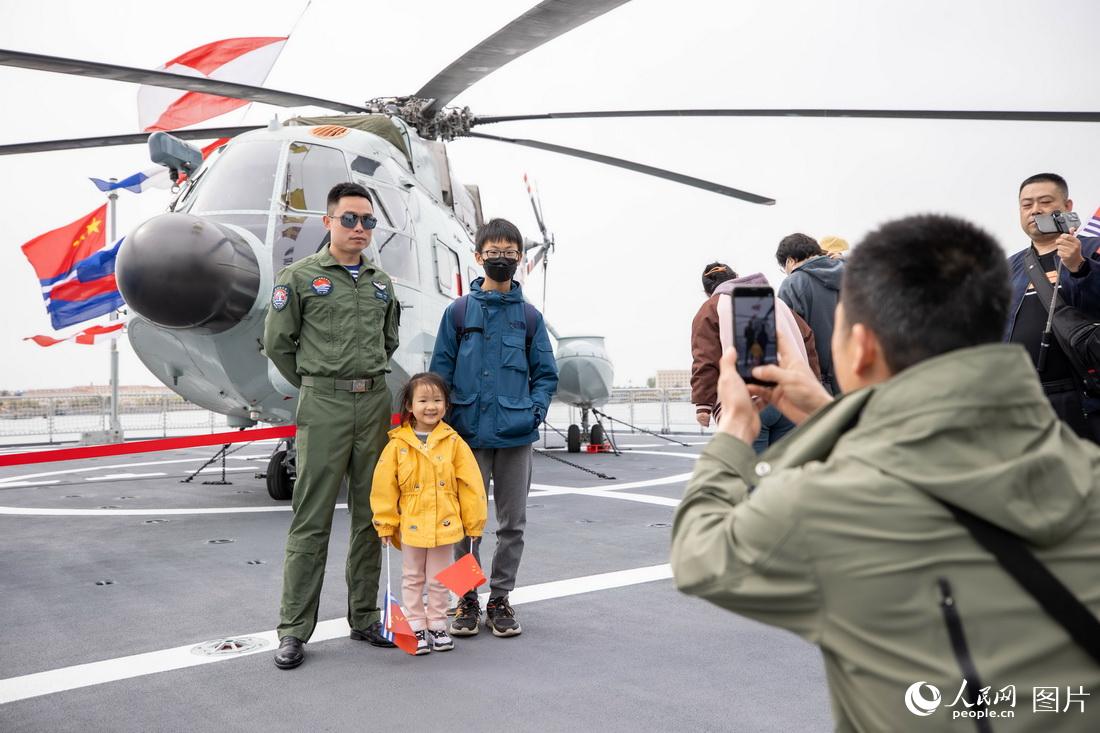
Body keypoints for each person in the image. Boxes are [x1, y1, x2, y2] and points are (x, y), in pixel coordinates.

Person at [672, 214, 1100, 731]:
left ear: (862, 345)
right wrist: (825, 411)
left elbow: (702, 554)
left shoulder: (829, 502)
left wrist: (734, 431)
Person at [264, 182, 401, 669]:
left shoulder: (382, 284)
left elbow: (389, 343)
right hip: (323, 404)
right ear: (328, 222)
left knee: (372, 515)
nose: (359, 228)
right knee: (312, 518)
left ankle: (363, 618)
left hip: (374, 404)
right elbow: (280, 345)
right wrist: (318, 385)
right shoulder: (298, 278)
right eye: (349, 219)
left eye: (368, 221)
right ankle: (294, 630)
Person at [429, 218, 558, 638]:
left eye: (509, 253)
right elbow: (439, 374)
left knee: (512, 524)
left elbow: (546, 375)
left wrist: (533, 413)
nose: (500, 259)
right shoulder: (459, 312)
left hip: (515, 436)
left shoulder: (530, 318)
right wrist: (441, 425)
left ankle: (500, 598)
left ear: (520, 258)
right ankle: (465, 599)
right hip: (466, 435)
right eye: (493, 252)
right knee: (464, 524)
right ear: (478, 256)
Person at [371, 372, 487, 655]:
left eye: (437, 400)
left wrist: (474, 522)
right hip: (411, 524)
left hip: (445, 524)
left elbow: (471, 484)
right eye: (423, 400)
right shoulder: (397, 445)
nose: (431, 406)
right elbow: (384, 488)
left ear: (446, 405)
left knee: (440, 578)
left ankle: (436, 624)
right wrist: (385, 524)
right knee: (412, 577)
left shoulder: (454, 442)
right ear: (409, 406)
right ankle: (415, 625)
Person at [1006, 172, 1100, 441]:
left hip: (1084, 396)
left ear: (1068, 207)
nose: (1035, 209)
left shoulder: (1092, 248)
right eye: (1027, 205)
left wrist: (1081, 267)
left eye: (1045, 201)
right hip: (1026, 400)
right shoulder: (1009, 268)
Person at [690, 262, 820, 453]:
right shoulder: (777, 303)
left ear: (708, 291)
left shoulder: (713, 307)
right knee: (783, 474)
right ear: (736, 276)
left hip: (750, 402)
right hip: (791, 399)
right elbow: (807, 339)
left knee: (751, 474)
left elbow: (705, 358)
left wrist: (703, 405)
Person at [775, 233, 844, 393]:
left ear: (790, 261)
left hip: (819, 384)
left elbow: (787, 338)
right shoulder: (852, 272)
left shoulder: (792, 284)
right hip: (859, 374)